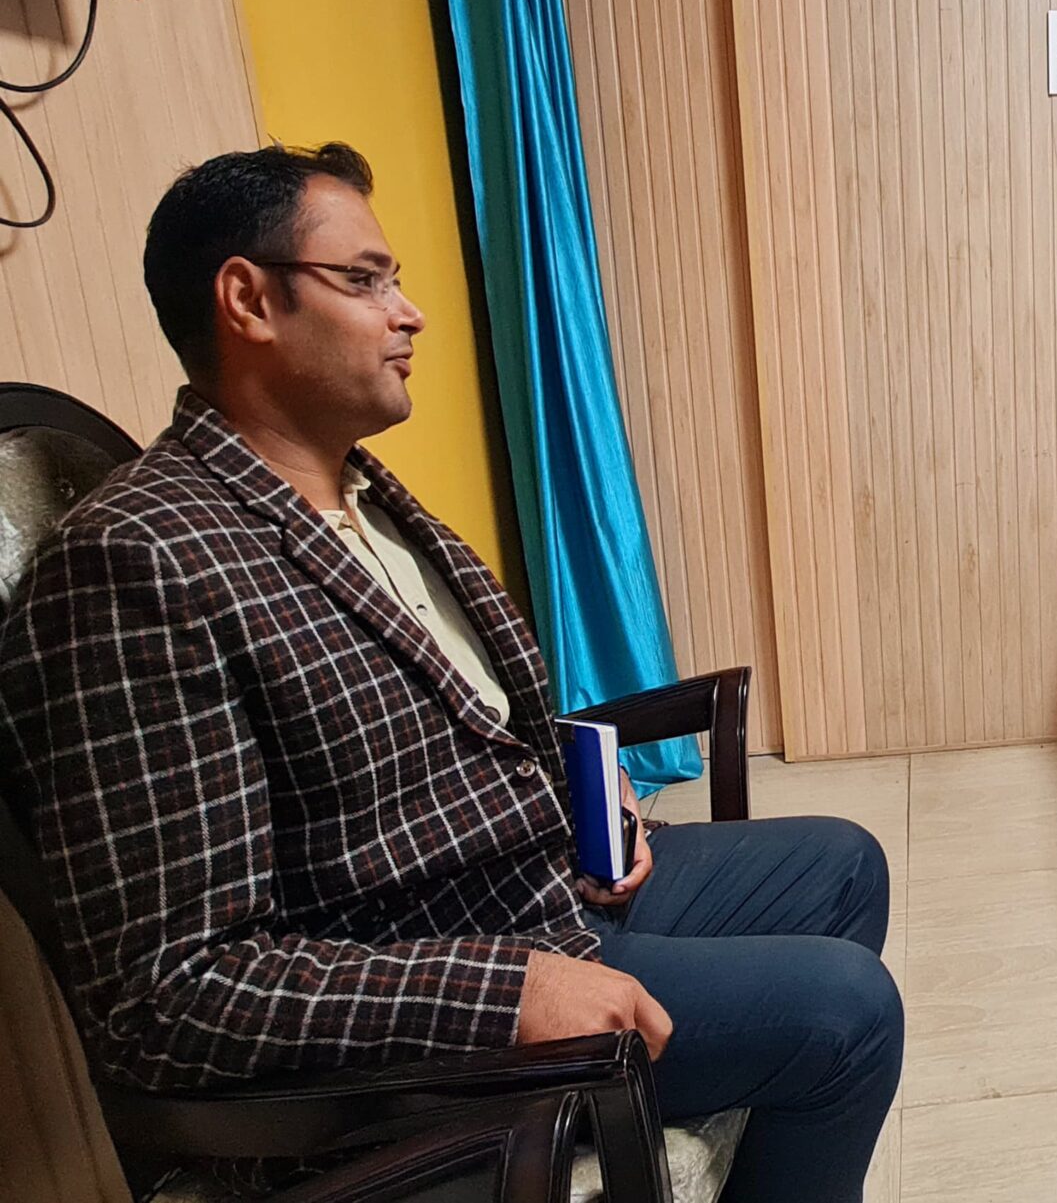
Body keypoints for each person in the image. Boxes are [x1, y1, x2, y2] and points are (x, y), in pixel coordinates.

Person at [0, 144, 900, 1200]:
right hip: (428, 998)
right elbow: (171, 992)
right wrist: (506, 991)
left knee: (844, 864)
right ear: (248, 300)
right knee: (844, 1013)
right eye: (365, 279)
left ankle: (716, 1129)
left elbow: (461, 718)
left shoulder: (360, 502)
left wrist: (587, 792)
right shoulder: (134, 565)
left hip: (536, 886)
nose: (410, 311)